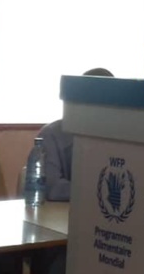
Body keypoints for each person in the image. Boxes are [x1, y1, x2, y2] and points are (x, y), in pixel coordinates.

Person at [38, 67, 114, 202]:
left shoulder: (119, 137)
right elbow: (52, 188)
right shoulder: (51, 135)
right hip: (60, 212)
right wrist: (99, 192)